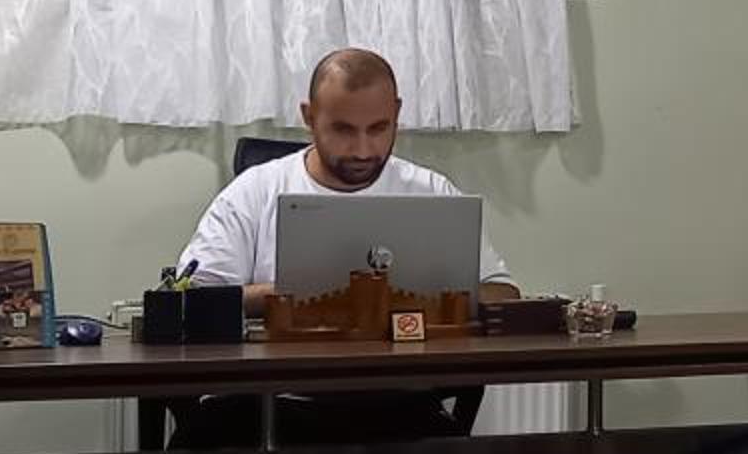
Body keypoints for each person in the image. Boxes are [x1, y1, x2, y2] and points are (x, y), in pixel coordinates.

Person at [178, 47, 516, 310]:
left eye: (378, 128)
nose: (363, 150)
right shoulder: (253, 193)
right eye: (343, 130)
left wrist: (394, 298)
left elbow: (502, 292)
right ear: (309, 117)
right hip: (282, 376)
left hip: (403, 376)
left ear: (397, 113)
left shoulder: (434, 193)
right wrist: (302, 295)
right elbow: (192, 298)